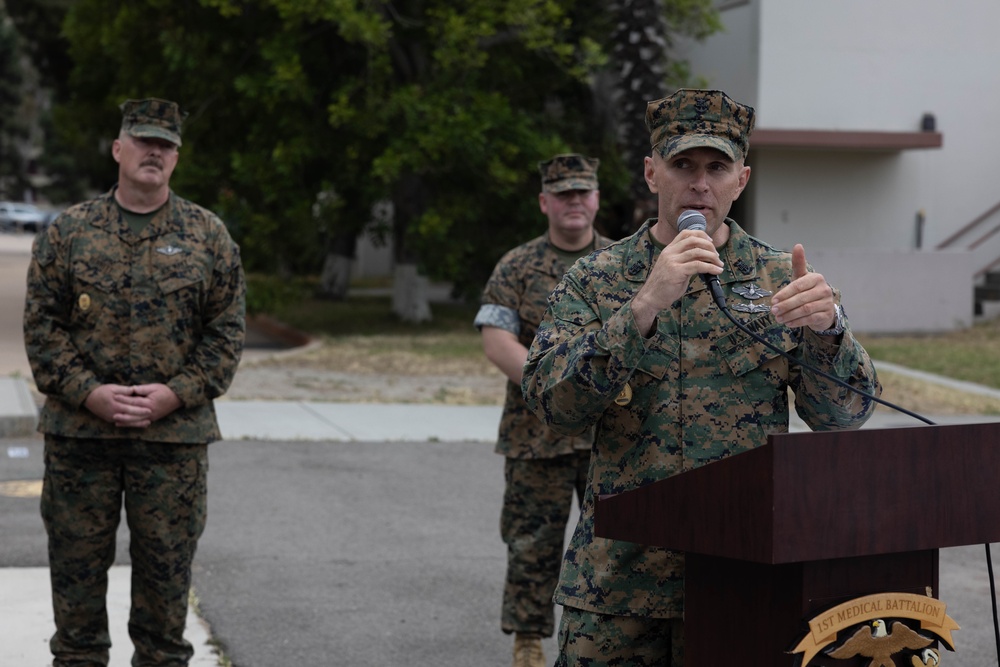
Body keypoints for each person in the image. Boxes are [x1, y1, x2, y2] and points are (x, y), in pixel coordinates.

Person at [521, 89, 881, 666]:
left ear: (741, 179)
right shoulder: (596, 279)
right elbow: (551, 405)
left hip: (743, 575)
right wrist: (641, 308)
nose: (700, 183)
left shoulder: (778, 278)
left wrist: (829, 331)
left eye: (716, 167)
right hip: (617, 585)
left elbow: (844, 416)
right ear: (651, 173)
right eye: (682, 164)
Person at [23, 98, 246, 667]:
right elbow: (42, 330)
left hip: (171, 445)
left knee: (165, 606)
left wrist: (177, 392)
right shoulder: (69, 232)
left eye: (166, 144)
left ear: (176, 157)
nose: (155, 151)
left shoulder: (208, 236)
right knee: (75, 605)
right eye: (144, 141)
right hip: (81, 441)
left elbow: (225, 336)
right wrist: (88, 392)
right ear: (118, 150)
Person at [474, 154, 613, 667]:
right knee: (531, 543)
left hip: (608, 434)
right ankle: (529, 639)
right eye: (563, 194)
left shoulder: (623, 260)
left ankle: (606, 641)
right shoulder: (516, 266)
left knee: (613, 544)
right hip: (535, 435)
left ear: (596, 199)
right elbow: (496, 341)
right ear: (544, 203)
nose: (574, 202)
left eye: (583, 192)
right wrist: (557, 387)